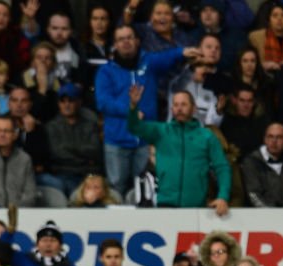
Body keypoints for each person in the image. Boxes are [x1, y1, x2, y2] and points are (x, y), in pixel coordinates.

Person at [94, 24, 193, 195]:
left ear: (137, 41)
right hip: (117, 141)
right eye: (120, 39)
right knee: (116, 189)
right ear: (115, 45)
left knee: (144, 189)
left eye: (129, 37)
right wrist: (129, 111)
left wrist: (182, 52)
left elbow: (165, 57)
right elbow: (103, 102)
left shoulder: (148, 63)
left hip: (145, 142)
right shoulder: (105, 71)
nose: (126, 42)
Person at [126, 86, 230, 213]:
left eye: (184, 104)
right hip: (165, 205)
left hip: (196, 207)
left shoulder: (207, 136)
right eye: (175, 105)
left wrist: (223, 196)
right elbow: (135, 128)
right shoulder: (161, 131)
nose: (179, 108)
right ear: (171, 108)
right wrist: (133, 106)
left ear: (194, 108)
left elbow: (222, 167)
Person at [240, 122, 283, 207]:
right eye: (270, 137)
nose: (274, 141)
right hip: (261, 216)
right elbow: (253, 194)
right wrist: (271, 215)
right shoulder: (252, 162)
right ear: (265, 140)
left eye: (279, 137)